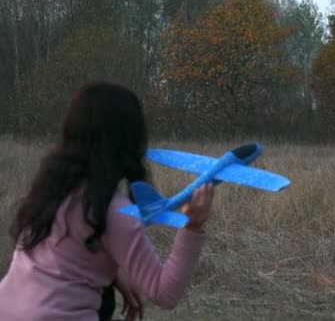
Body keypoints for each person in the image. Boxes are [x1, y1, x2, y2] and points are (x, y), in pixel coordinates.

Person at [0, 81, 215, 321]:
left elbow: (62, 263)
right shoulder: (114, 211)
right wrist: (192, 227)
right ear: (128, 139)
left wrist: (113, 274)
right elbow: (164, 293)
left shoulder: (49, 191)